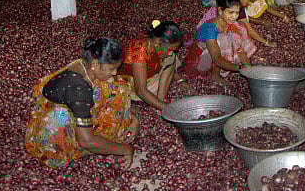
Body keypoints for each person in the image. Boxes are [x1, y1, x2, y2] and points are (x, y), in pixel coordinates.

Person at [26, 38, 138, 170]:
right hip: (52, 138)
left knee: (118, 86)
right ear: (95, 64)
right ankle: (71, 148)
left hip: (67, 111)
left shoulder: (83, 65)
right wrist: (126, 150)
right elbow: (86, 141)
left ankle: (98, 132)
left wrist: (134, 118)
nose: (114, 72)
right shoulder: (79, 89)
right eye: (111, 68)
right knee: (83, 132)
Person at [119, 21, 194, 111]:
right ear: (158, 42)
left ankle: (160, 101)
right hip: (131, 84)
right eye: (169, 49)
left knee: (172, 58)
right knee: (171, 58)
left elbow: (168, 64)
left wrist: (180, 80)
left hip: (150, 75)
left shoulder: (155, 41)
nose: (170, 53)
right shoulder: (139, 52)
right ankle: (160, 105)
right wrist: (170, 110)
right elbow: (140, 90)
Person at [184, 0, 256, 85]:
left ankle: (228, 66)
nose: (234, 16)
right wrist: (239, 68)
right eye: (230, 12)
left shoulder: (231, 24)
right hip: (201, 60)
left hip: (217, 57)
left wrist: (247, 68)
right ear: (220, 11)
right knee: (223, 38)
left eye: (237, 13)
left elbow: (240, 50)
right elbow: (216, 58)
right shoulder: (210, 28)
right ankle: (215, 75)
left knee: (240, 29)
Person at [198, 0, 275, 47]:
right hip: (208, 35)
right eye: (250, 1)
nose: (250, 4)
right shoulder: (236, 7)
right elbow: (250, 31)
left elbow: (244, 19)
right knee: (242, 31)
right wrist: (267, 42)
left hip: (204, 28)